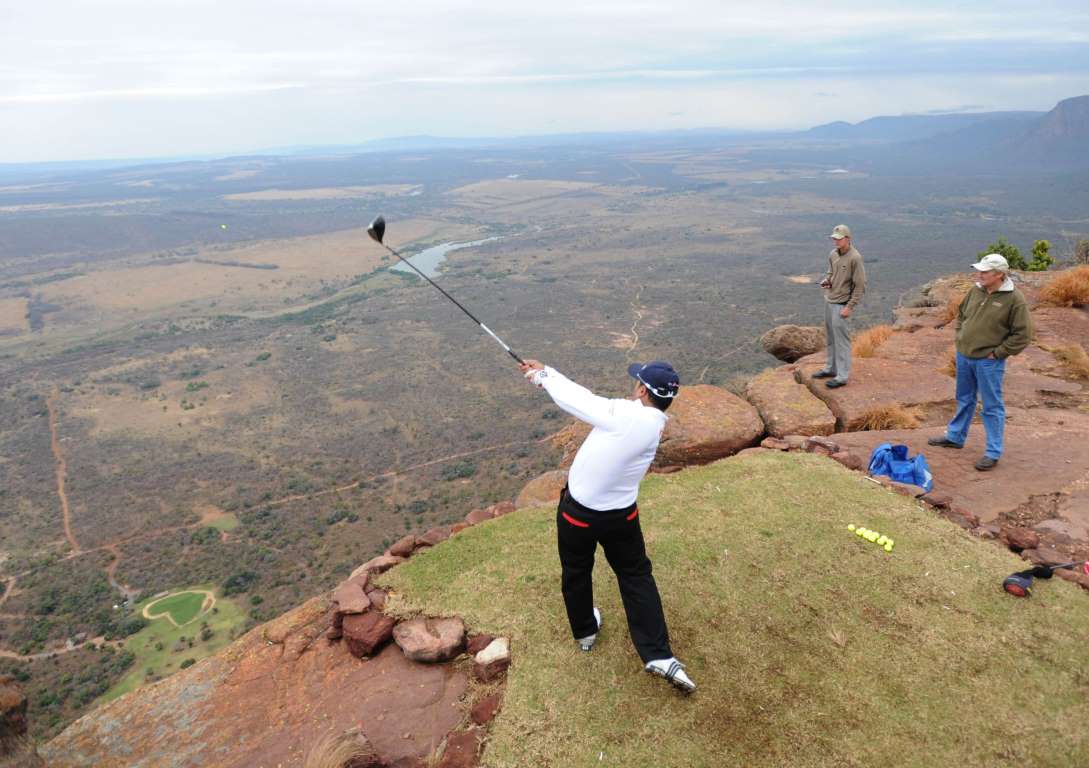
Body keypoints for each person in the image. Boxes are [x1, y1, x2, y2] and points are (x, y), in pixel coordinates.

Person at [519, 359, 696, 693]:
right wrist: (548, 373)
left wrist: (543, 376)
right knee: (636, 576)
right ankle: (657, 654)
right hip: (622, 517)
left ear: (642, 389)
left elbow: (580, 401)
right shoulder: (651, 422)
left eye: (637, 383)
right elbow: (591, 401)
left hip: (579, 515)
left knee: (576, 570)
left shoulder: (627, 417)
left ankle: (585, 631)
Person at [928, 253, 1032, 471]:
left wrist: (998, 353)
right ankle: (955, 437)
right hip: (964, 355)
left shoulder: (1014, 299)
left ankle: (993, 452)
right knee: (964, 398)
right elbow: (962, 314)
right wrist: (960, 337)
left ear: (999, 274)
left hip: (989, 362)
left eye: (985, 271)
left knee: (991, 406)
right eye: (980, 270)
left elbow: (1022, 335)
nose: (980, 274)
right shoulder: (976, 290)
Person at [815, 224, 867, 388]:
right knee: (830, 337)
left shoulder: (855, 258)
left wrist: (849, 306)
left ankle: (842, 376)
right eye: (834, 239)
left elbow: (860, 285)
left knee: (842, 341)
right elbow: (831, 271)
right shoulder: (833, 254)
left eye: (839, 239)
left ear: (848, 238)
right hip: (830, 300)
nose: (836, 241)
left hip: (841, 304)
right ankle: (831, 368)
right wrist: (827, 280)